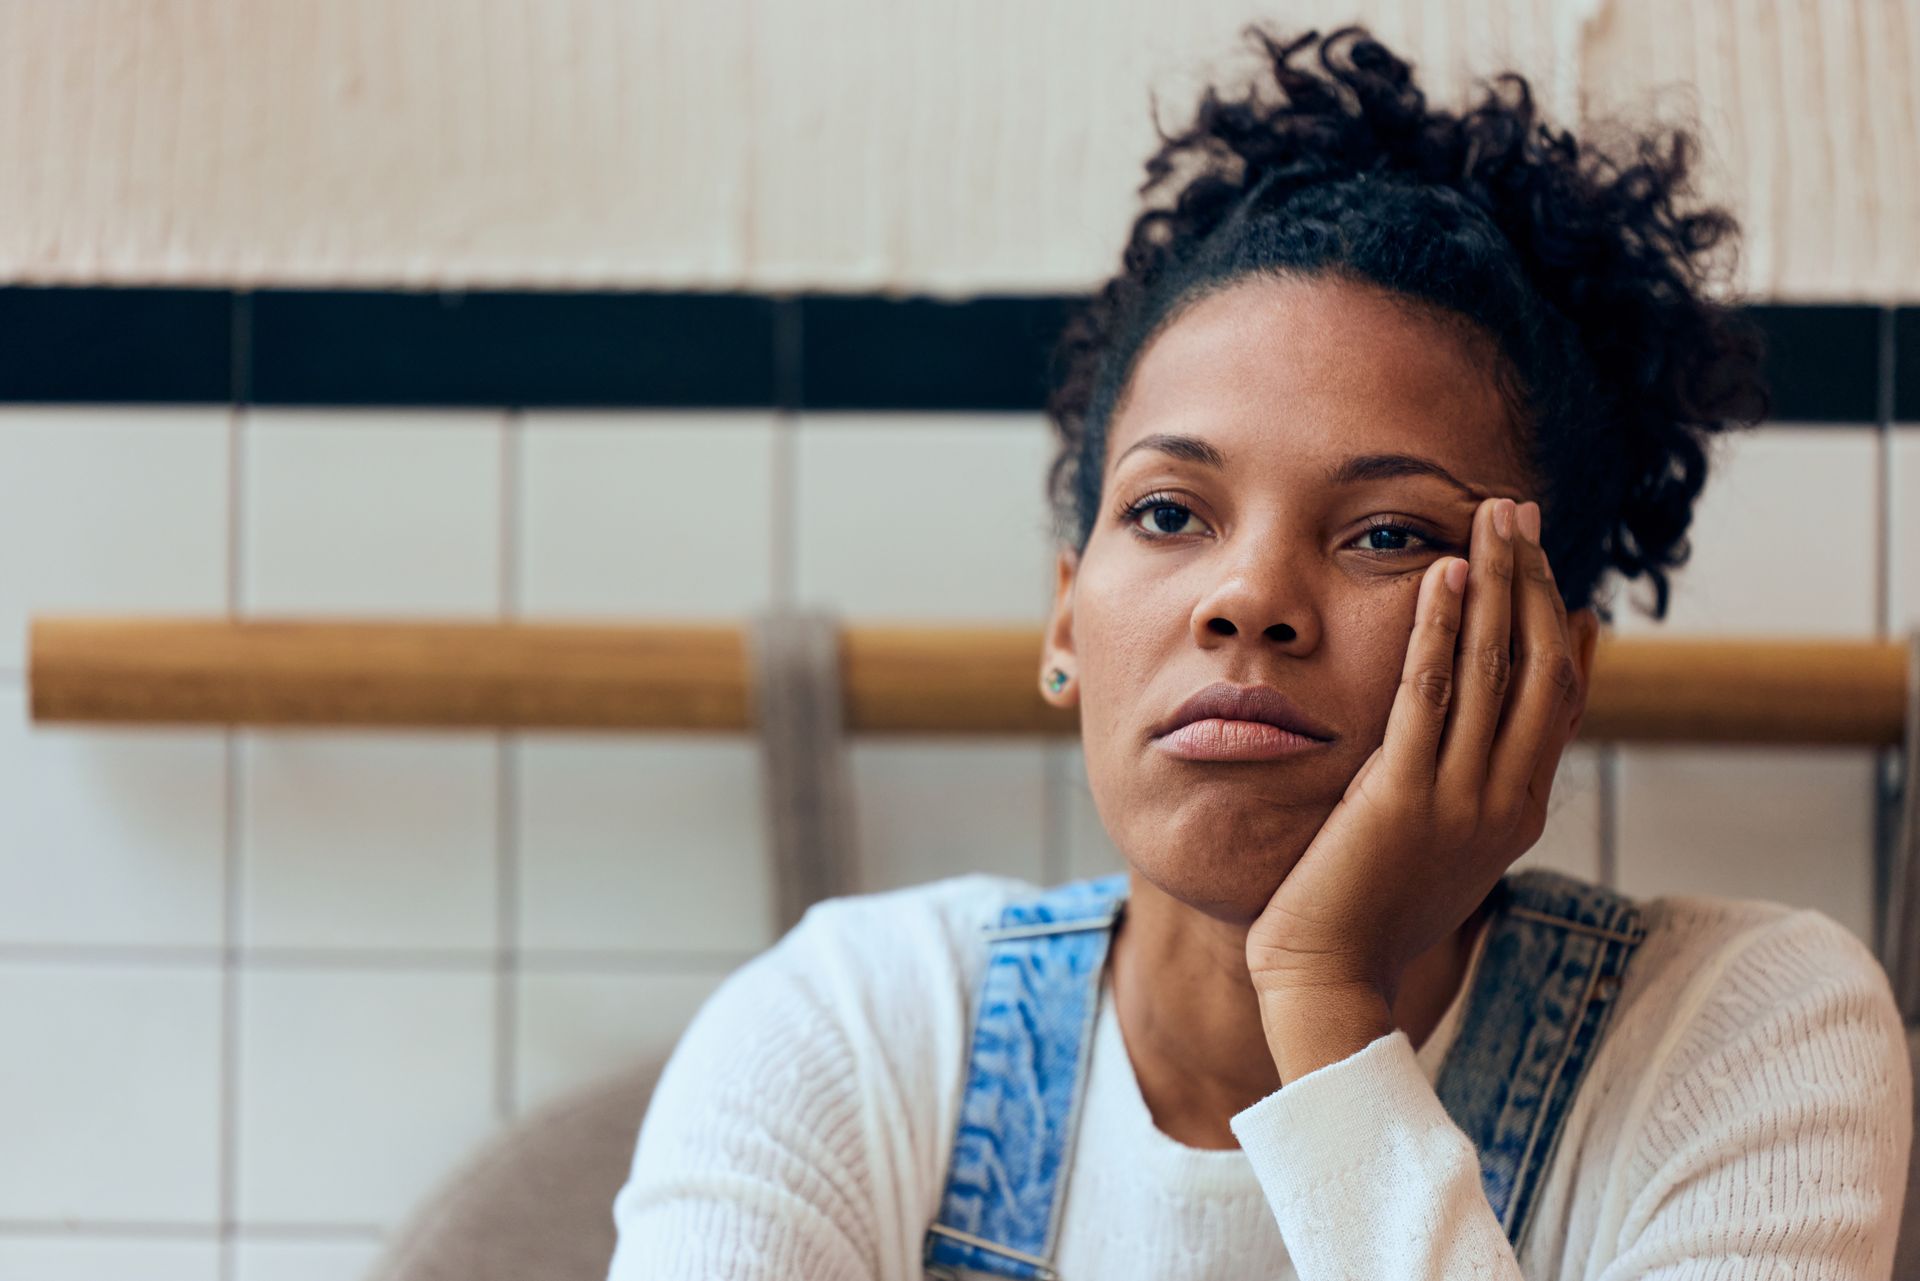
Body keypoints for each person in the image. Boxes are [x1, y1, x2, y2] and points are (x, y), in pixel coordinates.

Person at [607, 23, 1911, 1280]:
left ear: (1549, 667)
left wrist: (1326, 997)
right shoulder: (856, 1026)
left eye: (1389, 532)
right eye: (1169, 511)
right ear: (1068, 616)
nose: (1249, 599)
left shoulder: (1743, 1029)